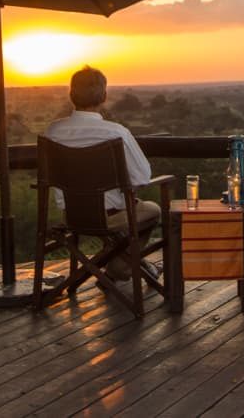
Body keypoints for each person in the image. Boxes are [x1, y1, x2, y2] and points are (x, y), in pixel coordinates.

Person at [43, 65, 158, 280]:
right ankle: (119, 267)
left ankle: (111, 264)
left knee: (130, 209)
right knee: (151, 210)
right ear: (104, 96)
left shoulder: (53, 131)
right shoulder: (116, 133)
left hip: (72, 216)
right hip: (110, 217)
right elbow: (143, 176)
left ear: (71, 95)